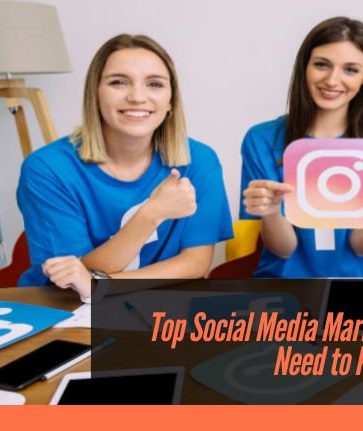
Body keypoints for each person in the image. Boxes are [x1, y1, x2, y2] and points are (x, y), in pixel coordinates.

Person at [17, 34, 233, 299]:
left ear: (171, 102)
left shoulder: (199, 160)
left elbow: (195, 263)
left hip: (152, 305)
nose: (137, 97)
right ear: (95, 94)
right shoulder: (47, 169)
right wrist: (150, 214)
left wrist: (100, 285)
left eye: (154, 84)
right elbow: (70, 280)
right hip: (63, 308)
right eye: (119, 82)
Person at [240, 17, 363, 278]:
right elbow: (283, 249)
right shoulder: (261, 139)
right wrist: (271, 213)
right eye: (321, 65)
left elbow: (361, 246)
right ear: (304, 67)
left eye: (350, 69)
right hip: (286, 287)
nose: (332, 80)